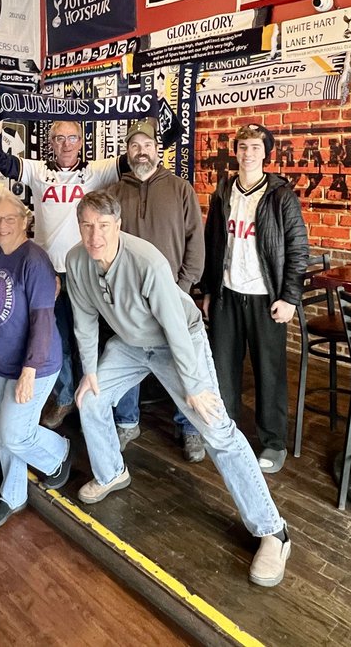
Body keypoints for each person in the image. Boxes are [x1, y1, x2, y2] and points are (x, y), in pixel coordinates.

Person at [66, 191, 291, 587]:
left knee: (214, 426)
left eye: (103, 226)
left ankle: (273, 531)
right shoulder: (76, 260)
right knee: (90, 398)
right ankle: (111, 472)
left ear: (118, 226)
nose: (94, 235)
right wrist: (90, 371)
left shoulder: (146, 261)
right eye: (86, 226)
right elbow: (84, 320)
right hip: (131, 345)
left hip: (177, 342)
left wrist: (193, 385)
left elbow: (175, 326)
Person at [0, 86, 123, 429]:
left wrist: (153, 107)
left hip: (87, 270)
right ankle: (65, 396)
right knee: (57, 338)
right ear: (51, 143)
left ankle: (94, 400)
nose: (66, 144)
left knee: (90, 337)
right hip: (50, 272)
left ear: (81, 141)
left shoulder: (97, 171)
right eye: (59, 138)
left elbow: (138, 158)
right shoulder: (37, 170)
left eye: (72, 138)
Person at [201, 124, 309, 474]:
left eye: (255, 148)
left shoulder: (280, 195)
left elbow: (298, 249)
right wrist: (208, 290)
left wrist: (289, 297)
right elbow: (212, 243)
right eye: (243, 147)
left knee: (269, 373)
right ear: (236, 151)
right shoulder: (223, 191)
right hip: (227, 295)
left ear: (266, 153)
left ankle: (273, 441)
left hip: (265, 298)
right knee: (223, 370)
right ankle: (225, 432)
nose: (248, 153)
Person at [107, 119, 207, 463]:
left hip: (174, 294)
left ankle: (190, 426)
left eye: (147, 145)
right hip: (129, 299)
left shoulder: (180, 189)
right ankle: (126, 421)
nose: (141, 152)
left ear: (157, 150)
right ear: (127, 151)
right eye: (135, 146)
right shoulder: (114, 193)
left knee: (183, 360)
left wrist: (183, 287)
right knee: (126, 357)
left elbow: (195, 240)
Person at [0, 191, 71, 529]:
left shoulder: (34, 260)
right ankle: (13, 494)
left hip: (34, 364)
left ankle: (59, 454)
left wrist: (29, 371)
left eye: (10, 219)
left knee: (15, 434)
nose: (2, 225)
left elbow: (43, 319)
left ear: (24, 222)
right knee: (3, 434)